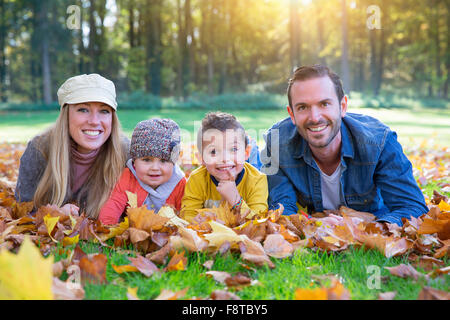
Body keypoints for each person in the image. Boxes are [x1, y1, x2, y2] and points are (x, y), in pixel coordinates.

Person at [261, 64, 428, 226]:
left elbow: (413, 208)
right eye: (303, 107)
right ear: (292, 114)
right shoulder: (275, 143)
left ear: (342, 106)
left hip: (373, 216)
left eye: (324, 104)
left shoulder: (380, 142)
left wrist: (370, 225)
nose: (314, 117)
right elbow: (280, 209)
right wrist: (313, 224)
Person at [15, 74, 130, 219]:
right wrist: (55, 215)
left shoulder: (125, 152)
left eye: (104, 111)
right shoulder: (39, 150)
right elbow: (22, 211)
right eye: (83, 109)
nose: (95, 121)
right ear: (66, 114)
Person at [181, 112, 268, 223]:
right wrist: (195, 221)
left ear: (246, 152)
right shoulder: (197, 179)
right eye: (213, 151)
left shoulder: (257, 180)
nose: (225, 158)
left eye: (233, 149)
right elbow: (187, 213)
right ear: (201, 158)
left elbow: (259, 220)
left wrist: (236, 200)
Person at [99, 118, 186, 225]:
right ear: (134, 160)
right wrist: (107, 226)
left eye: (163, 160)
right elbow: (114, 204)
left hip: (167, 231)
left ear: (174, 161)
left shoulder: (179, 183)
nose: (155, 168)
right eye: (146, 160)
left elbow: (186, 213)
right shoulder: (128, 177)